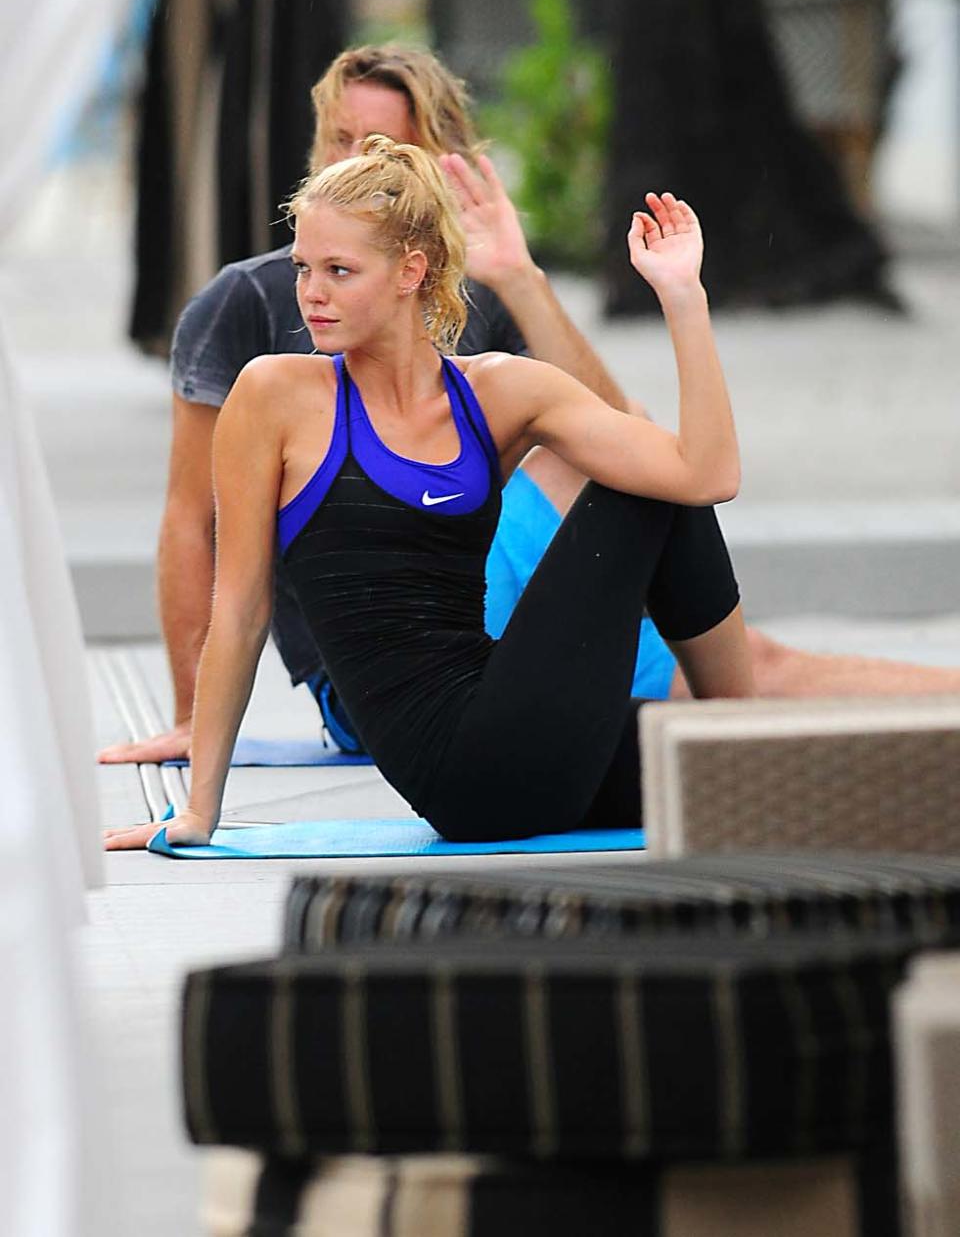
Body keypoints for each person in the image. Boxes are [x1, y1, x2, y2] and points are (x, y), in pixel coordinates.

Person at [99, 44, 960, 767]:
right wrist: (189, 717)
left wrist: (521, 276)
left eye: (386, 147)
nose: (359, 163)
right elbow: (191, 522)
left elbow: (639, 446)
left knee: (746, 659)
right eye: (342, 140)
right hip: (391, 663)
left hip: (492, 600)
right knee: (724, 677)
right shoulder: (248, 307)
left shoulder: (463, 294)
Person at [104, 138, 752, 849]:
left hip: (525, 735)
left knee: (747, 778)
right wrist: (200, 810)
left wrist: (683, 297)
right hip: (464, 770)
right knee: (638, 495)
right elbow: (242, 610)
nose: (310, 294)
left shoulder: (499, 391)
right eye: (303, 269)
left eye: (339, 271)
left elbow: (707, 477)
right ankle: (746, 735)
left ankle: (747, 747)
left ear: (411, 271)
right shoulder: (274, 395)